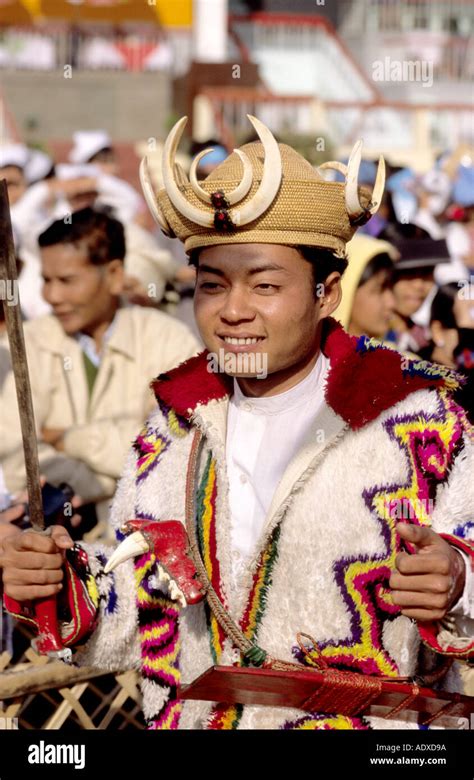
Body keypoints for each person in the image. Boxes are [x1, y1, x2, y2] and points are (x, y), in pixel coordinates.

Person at [1, 118, 473, 731]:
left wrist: (456, 580)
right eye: (211, 285)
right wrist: (56, 583)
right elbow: (146, 618)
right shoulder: (172, 433)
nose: (233, 311)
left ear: (327, 292)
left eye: (266, 284)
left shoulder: (418, 417)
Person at [0, 207, 199, 523]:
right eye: (46, 280)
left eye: (66, 280)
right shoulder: (33, 340)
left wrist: (68, 438)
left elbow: (174, 450)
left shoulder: (168, 340)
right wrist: (85, 488)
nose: (51, 295)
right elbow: (14, 449)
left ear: (115, 275)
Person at [332, 235, 396, 339]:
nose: (391, 303)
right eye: (379, 290)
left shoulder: (401, 355)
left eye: (391, 289)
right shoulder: (313, 354)